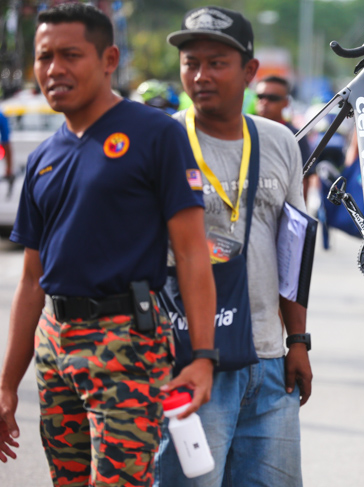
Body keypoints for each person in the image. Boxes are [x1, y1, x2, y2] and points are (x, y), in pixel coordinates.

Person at [0, 4, 216, 486]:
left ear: (108, 58)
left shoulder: (156, 135)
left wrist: (203, 357)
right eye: (45, 56)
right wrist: (6, 386)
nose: (54, 69)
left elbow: (191, 253)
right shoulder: (42, 158)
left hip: (126, 341)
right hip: (53, 344)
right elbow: (32, 279)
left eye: (70, 55)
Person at [155, 6, 312, 487]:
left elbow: (293, 251)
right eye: (191, 62)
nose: (200, 75)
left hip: (268, 364)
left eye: (216, 62)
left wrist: (298, 342)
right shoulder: (160, 140)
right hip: (188, 361)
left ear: (249, 71)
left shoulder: (280, 141)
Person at [254, 75, 312, 199]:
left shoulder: (296, 136)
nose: (264, 102)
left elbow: (304, 179)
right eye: (260, 96)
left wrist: (299, 214)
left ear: (286, 103)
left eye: (272, 98)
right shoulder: (243, 130)